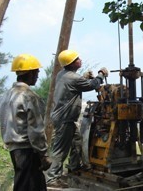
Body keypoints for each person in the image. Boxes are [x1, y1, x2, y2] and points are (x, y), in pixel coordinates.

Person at [47, 49, 108, 185]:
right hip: (65, 118)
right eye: (77, 59)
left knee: (77, 142)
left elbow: (77, 84)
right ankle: (51, 178)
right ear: (71, 63)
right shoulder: (73, 78)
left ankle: (74, 166)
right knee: (60, 149)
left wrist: (84, 77)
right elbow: (93, 85)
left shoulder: (63, 74)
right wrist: (101, 75)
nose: (80, 60)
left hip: (65, 118)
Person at [0, 54, 51, 191]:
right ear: (31, 73)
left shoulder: (6, 95)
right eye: (37, 72)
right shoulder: (29, 96)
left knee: (27, 184)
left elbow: (3, 123)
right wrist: (43, 154)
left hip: (14, 148)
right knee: (28, 186)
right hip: (28, 151)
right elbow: (36, 130)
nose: (38, 75)